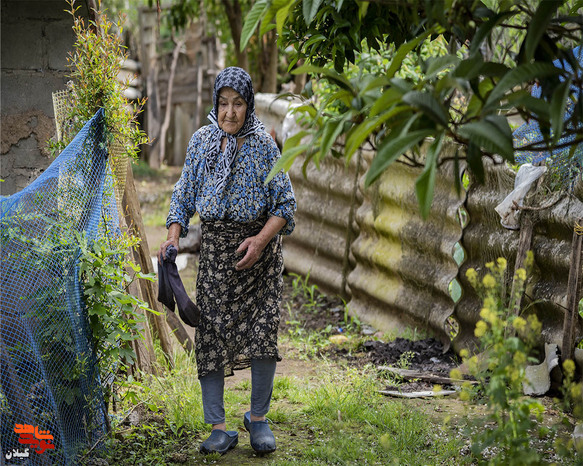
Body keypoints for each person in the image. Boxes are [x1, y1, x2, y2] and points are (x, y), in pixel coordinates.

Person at [159, 66, 296, 456]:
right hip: (217, 255)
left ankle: (258, 419)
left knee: (263, 334)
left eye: (238, 104)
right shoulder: (201, 142)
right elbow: (183, 195)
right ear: (214, 104)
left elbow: (285, 206)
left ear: (249, 105)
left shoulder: (265, 146)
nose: (230, 112)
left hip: (260, 255)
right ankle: (219, 427)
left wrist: (260, 241)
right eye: (223, 103)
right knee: (211, 336)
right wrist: (172, 237)